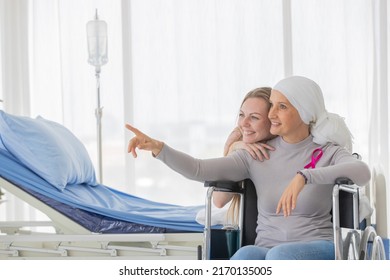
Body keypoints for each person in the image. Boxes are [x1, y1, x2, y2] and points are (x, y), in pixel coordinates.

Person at [126, 75, 371, 260]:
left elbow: (362, 172)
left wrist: (305, 177)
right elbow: (198, 169)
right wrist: (159, 148)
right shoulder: (254, 157)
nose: (271, 113)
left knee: (278, 258)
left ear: (305, 112)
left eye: (281, 107)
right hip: (267, 248)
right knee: (244, 257)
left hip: (319, 246)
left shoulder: (327, 151)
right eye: (272, 105)